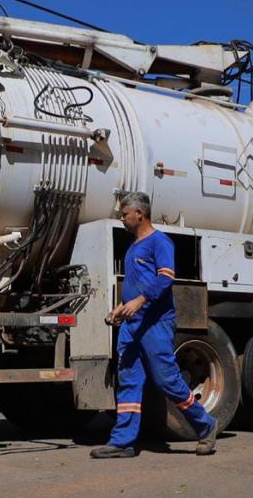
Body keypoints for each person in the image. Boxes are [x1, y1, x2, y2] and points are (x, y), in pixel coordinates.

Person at [91, 192, 219, 458]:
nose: (122, 218)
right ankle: (122, 442)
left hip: (155, 324)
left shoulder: (160, 242)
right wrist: (121, 308)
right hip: (131, 325)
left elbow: (165, 279)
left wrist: (139, 301)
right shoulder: (132, 247)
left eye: (124, 214)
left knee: (166, 380)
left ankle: (206, 426)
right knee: (128, 381)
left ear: (140, 214)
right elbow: (135, 284)